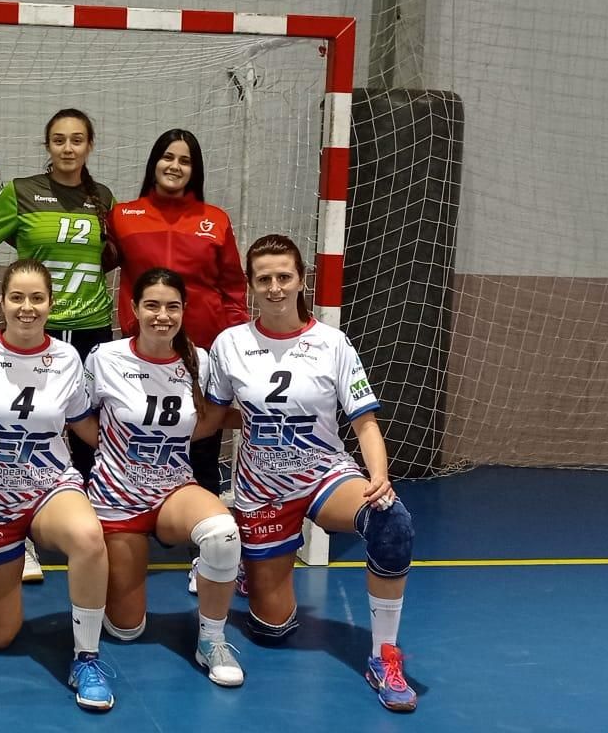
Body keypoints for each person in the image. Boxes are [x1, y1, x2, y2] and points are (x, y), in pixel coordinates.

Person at [206, 234, 418, 712]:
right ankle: (251, 565)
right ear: (250, 286)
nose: (276, 287)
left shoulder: (332, 343)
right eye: (265, 279)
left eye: (285, 276)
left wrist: (378, 476)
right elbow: (213, 419)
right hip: (261, 490)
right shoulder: (230, 344)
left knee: (391, 521)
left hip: (325, 475)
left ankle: (384, 655)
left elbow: (364, 420)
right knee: (272, 629)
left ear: (303, 279)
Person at [0, 260, 116, 711]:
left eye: (37, 298)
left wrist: (139, 445)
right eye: (17, 298)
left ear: (51, 304)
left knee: (87, 536)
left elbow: (84, 424)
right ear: (1, 301)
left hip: (49, 487)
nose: (27, 308)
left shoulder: (66, 357)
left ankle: (87, 656)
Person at [84, 268, 244, 688]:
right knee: (126, 629)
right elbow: (77, 417)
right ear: (134, 309)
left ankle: (212, 640)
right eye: (152, 305)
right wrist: (110, 447)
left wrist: (260, 419)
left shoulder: (201, 361)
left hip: (174, 489)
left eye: (172, 306)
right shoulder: (105, 357)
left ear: (183, 311)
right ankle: (107, 589)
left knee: (223, 533)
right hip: (116, 498)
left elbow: (207, 420)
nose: (162, 315)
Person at [110, 128, 248, 591]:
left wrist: (233, 346)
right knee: (136, 444)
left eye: (184, 160)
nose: (174, 166)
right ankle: (124, 534)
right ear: (153, 162)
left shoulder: (215, 219)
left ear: (195, 169)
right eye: (167, 156)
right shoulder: (123, 215)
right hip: (142, 354)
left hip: (201, 353)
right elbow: (84, 257)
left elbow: (232, 288)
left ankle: (206, 553)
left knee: (202, 446)